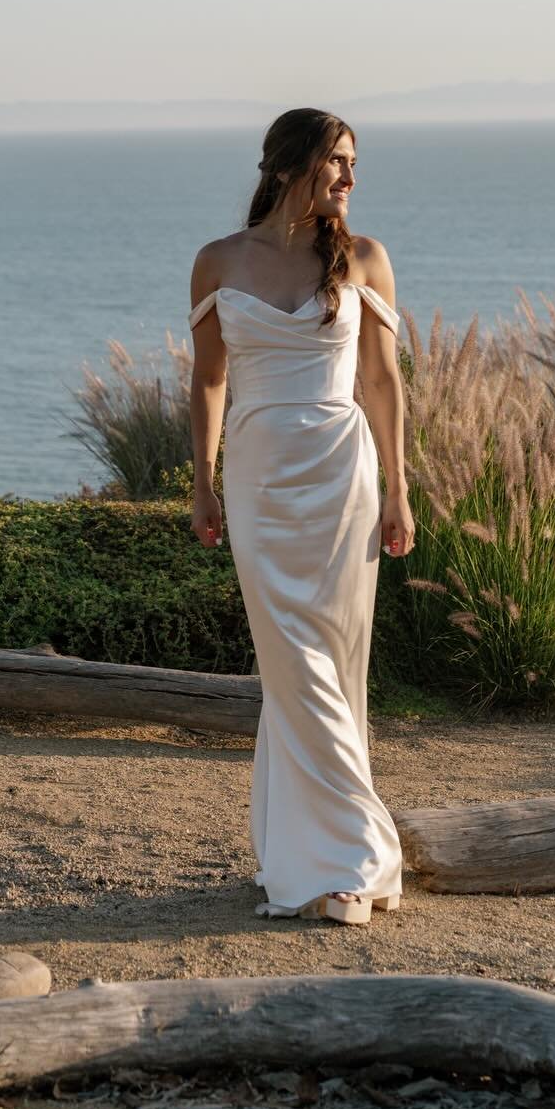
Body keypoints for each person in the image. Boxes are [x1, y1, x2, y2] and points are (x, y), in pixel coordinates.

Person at [187, 108, 413, 923]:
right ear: (291, 163)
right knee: (290, 663)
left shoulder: (366, 259)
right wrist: (202, 482)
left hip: (341, 476)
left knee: (334, 663)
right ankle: (337, 849)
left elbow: (383, 382)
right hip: (256, 479)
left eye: (354, 162)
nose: (349, 176)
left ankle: (333, 856)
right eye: (338, 160)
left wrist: (400, 487)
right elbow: (209, 380)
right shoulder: (218, 260)